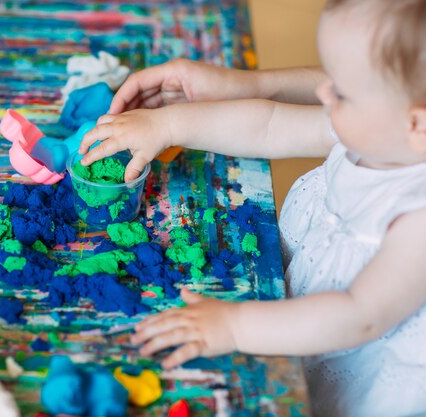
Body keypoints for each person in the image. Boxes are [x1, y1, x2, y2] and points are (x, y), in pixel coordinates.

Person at [78, 0, 426, 415]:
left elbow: (359, 314)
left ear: (417, 124)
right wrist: (168, 124)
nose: (322, 92)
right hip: (290, 310)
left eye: (342, 90)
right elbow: (270, 125)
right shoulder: (381, 129)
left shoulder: (417, 217)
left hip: (347, 365)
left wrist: (235, 326)